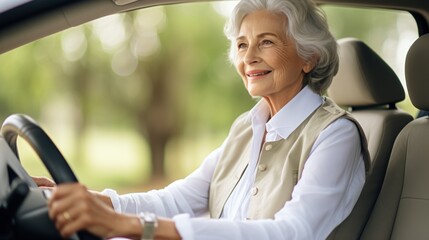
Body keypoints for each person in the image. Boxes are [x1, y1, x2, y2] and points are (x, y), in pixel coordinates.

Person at [35, 0, 370, 239]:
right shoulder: (248, 127)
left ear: (308, 57)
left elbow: (292, 233)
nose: (248, 57)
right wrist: (82, 198)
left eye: (266, 42)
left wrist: (134, 227)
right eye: (241, 45)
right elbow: (175, 200)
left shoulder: (336, 135)